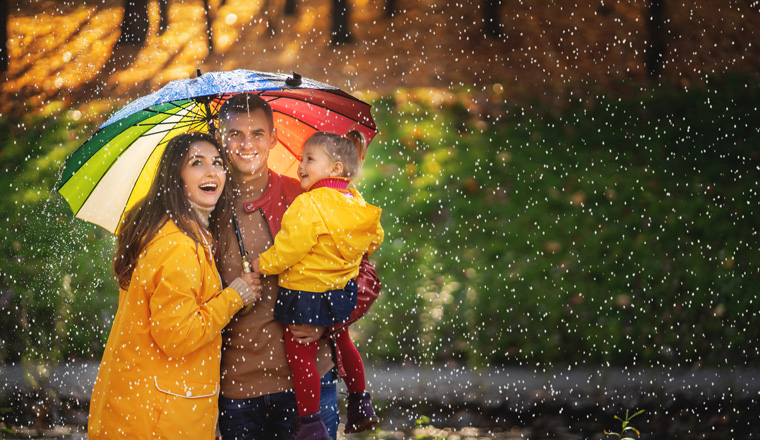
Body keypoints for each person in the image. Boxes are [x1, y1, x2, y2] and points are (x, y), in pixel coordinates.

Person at [214, 93, 382, 440]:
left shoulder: (310, 195)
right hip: (237, 390)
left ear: (273, 138)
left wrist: (332, 319)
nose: (248, 144)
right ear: (220, 137)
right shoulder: (206, 205)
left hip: (310, 385)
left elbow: (363, 274)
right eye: (236, 134)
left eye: (258, 133)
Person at [87, 132, 261, 439]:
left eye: (218, 163)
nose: (211, 171)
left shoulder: (177, 234)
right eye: (197, 163)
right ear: (176, 176)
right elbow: (178, 336)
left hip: (151, 406)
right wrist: (234, 296)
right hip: (159, 417)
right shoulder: (178, 247)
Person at [254, 131, 384, 439]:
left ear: (335, 168)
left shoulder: (308, 204)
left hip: (306, 292)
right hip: (342, 291)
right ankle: (360, 402)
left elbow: (290, 248)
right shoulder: (357, 201)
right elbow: (374, 238)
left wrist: (263, 264)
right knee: (344, 341)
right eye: (302, 158)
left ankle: (311, 423)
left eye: (309, 159)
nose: (301, 165)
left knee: (301, 356)